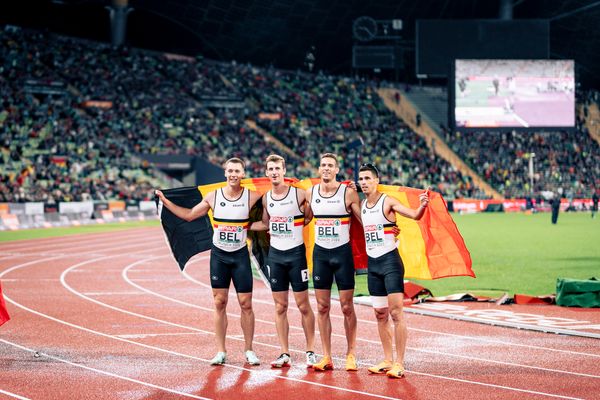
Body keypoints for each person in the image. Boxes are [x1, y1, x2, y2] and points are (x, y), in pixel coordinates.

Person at [155, 157, 263, 366]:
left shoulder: (252, 196)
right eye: (230, 170)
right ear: (225, 173)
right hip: (220, 257)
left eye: (237, 171)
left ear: (243, 174)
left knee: (246, 304)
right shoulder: (214, 197)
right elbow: (188, 215)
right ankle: (221, 351)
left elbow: (276, 200)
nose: (233, 174)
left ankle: (249, 350)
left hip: (240, 256)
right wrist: (165, 201)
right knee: (219, 302)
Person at [357, 163, 429, 379]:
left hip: (390, 263)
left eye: (368, 178)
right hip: (373, 265)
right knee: (380, 314)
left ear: (377, 181)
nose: (364, 182)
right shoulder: (361, 205)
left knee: (396, 313)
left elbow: (415, 215)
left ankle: (400, 362)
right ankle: (387, 359)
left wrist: (423, 205)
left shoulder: (387, 201)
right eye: (361, 179)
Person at [250, 154, 317, 368]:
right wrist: (238, 226)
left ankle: (310, 351)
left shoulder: (299, 195)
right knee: (280, 306)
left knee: (303, 305)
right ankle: (284, 353)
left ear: (284, 171)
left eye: (277, 168)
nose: (274, 172)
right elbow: (265, 224)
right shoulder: (266, 199)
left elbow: (309, 216)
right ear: (267, 172)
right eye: (270, 169)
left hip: (296, 256)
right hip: (276, 257)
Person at [305, 152, 362, 372]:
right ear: (319, 170)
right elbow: (306, 217)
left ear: (337, 170)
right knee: (322, 307)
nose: (326, 168)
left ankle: (351, 353)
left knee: (347, 306)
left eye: (330, 165)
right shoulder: (311, 193)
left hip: (342, 255)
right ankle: (327, 355)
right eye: (323, 165)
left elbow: (363, 220)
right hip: (321, 255)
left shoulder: (348, 194)